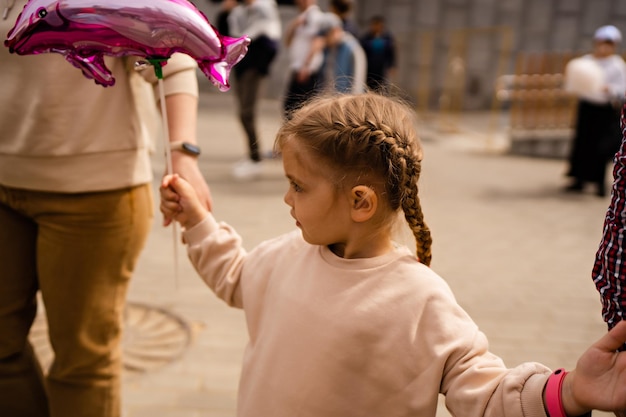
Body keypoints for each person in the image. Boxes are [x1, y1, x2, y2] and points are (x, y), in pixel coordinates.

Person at [160, 91, 626, 416]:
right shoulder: (284, 255)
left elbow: (486, 397)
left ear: (360, 201)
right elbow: (236, 276)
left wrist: (571, 391)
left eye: (298, 186)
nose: (287, 199)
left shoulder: (418, 299)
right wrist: (197, 219)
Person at [0, 1, 212, 415]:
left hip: (97, 193)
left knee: (82, 362)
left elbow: (173, 55)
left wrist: (182, 154)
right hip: (3, 184)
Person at [564, 25, 626, 197]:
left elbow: (621, 89)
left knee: (601, 147)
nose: (604, 47)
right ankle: (578, 179)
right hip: (587, 108)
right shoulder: (586, 61)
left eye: (609, 44)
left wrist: (609, 89)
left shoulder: (617, 66)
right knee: (582, 143)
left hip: (605, 110)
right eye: (601, 43)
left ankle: (598, 182)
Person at [227, 0, 282, 180]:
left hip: (253, 69)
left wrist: (260, 67)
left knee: (247, 113)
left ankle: (255, 157)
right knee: (243, 113)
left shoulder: (264, 9)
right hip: (241, 68)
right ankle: (252, 155)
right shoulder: (241, 11)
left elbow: (271, 42)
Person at [282, 0, 326, 119]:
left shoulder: (317, 17)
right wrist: (294, 25)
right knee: (289, 108)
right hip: (297, 68)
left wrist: (306, 66)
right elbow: (287, 42)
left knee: (303, 109)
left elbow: (318, 42)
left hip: (307, 70)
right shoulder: (301, 18)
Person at [318, 12, 367, 94]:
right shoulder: (327, 49)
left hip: (345, 101)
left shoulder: (353, 48)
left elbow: (358, 83)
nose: (324, 39)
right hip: (329, 100)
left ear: (336, 30)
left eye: (326, 35)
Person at [360, 15, 397, 92]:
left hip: (382, 68)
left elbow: (391, 53)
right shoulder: (366, 38)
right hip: (369, 68)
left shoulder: (387, 38)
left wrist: (392, 65)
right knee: (368, 86)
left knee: (382, 87)